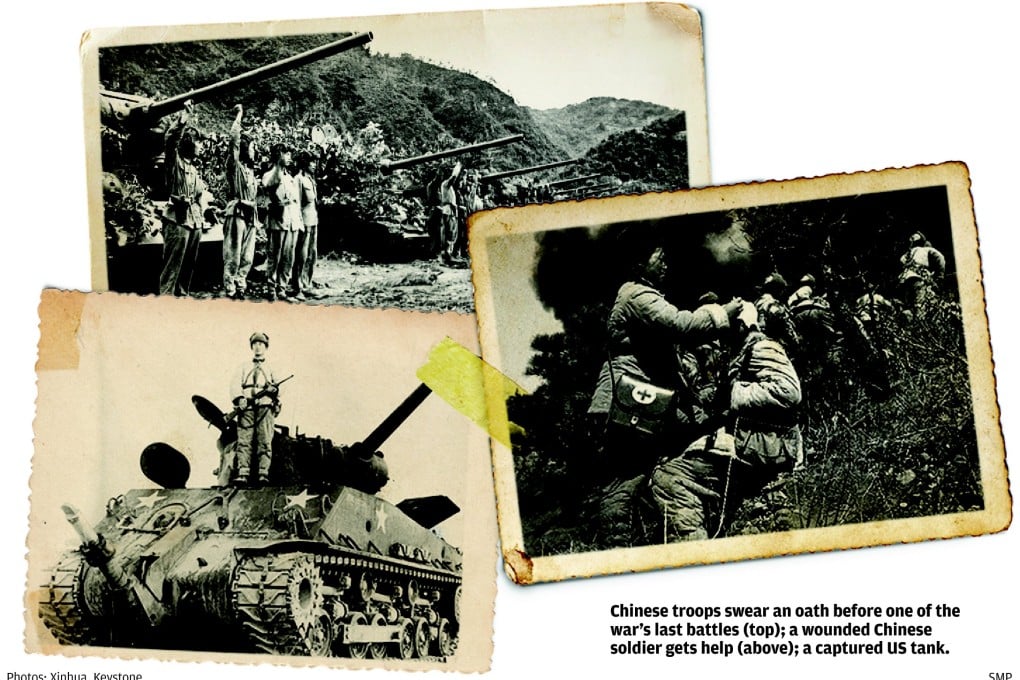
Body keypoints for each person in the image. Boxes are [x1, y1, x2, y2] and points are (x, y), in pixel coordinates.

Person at [586, 246, 741, 547]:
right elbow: (684, 326)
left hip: (640, 402)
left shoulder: (636, 296)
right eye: (659, 258)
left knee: (637, 474)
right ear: (640, 263)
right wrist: (725, 312)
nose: (666, 265)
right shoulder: (638, 296)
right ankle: (615, 553)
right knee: (624, 479)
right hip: (631, 404)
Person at [646, 302, 804, 542]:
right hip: (755, 444)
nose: (719, 335)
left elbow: (789, 392)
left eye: (725, 327)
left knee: (669, 478)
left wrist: (733, 394)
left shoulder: (762, 347)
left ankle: (694, 553)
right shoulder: (743, 350)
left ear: (740, 325)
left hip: (761, 446)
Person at [158, 100, 210, 296]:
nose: (201, 146)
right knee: (172, 267)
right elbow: (170, 141)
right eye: (199, 142)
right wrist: (183, 120)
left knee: (187, 267)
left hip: (194, 222)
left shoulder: (194, 169)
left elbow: (198, 196)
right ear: (189, 143)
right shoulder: (175, 163)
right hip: (178, 221)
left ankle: (182, 296)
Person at [230, 332, 281, 485]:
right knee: (244, 440)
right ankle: (243, 473)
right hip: (246, 408)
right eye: (255, 344)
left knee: (265, 440)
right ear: (252, 347)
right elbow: (234, 385)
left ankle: (263, 473)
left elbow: (280, 386)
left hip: (265, 406)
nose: (258, 347)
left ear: (266, 347)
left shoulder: (272, 367)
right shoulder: (243, 366)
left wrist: (274, 391)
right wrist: (240, 399)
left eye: (261, 344)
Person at [221, 104, 259, 299]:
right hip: (236, 214)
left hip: (250, 217)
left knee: (247, 256)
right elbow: (233, 141)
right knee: (233, 255)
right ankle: (230, 289)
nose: (254, 150)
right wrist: (239, 115)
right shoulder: (234, 167)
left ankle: (240, 286)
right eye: (251, 147)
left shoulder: (251, 172)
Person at [262, 144, 303, 301]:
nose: (289, 157)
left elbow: (295, 201)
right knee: (275, 256)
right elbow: (267, 186)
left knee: (288, 257)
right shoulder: (270, 174)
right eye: (286, 154)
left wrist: (298, 222)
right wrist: (277, 167)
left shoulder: (290, 177)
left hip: (292, 222)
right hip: (278, 222)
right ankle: (271, 288)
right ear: (278, 155)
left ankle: (282, 288)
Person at [292, 151, 320, 300]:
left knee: (311, 254)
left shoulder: (310, 179)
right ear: (305, 163)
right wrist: (300, 223)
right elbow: (297, 204)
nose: (314, 165)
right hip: (304, 221)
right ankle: (298, 286)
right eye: (311, 162)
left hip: (313, 220)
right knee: (301, 256)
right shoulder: (298, 179)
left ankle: (307, 283)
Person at [434, 162, 463, 265]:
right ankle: (446, 255)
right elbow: (454, 177)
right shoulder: (445, 184)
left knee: (452, 233)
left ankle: (449, 254)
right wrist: (458, 167)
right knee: (448, 233)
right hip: (448, 210)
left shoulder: (448, 186)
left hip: (451, 210)